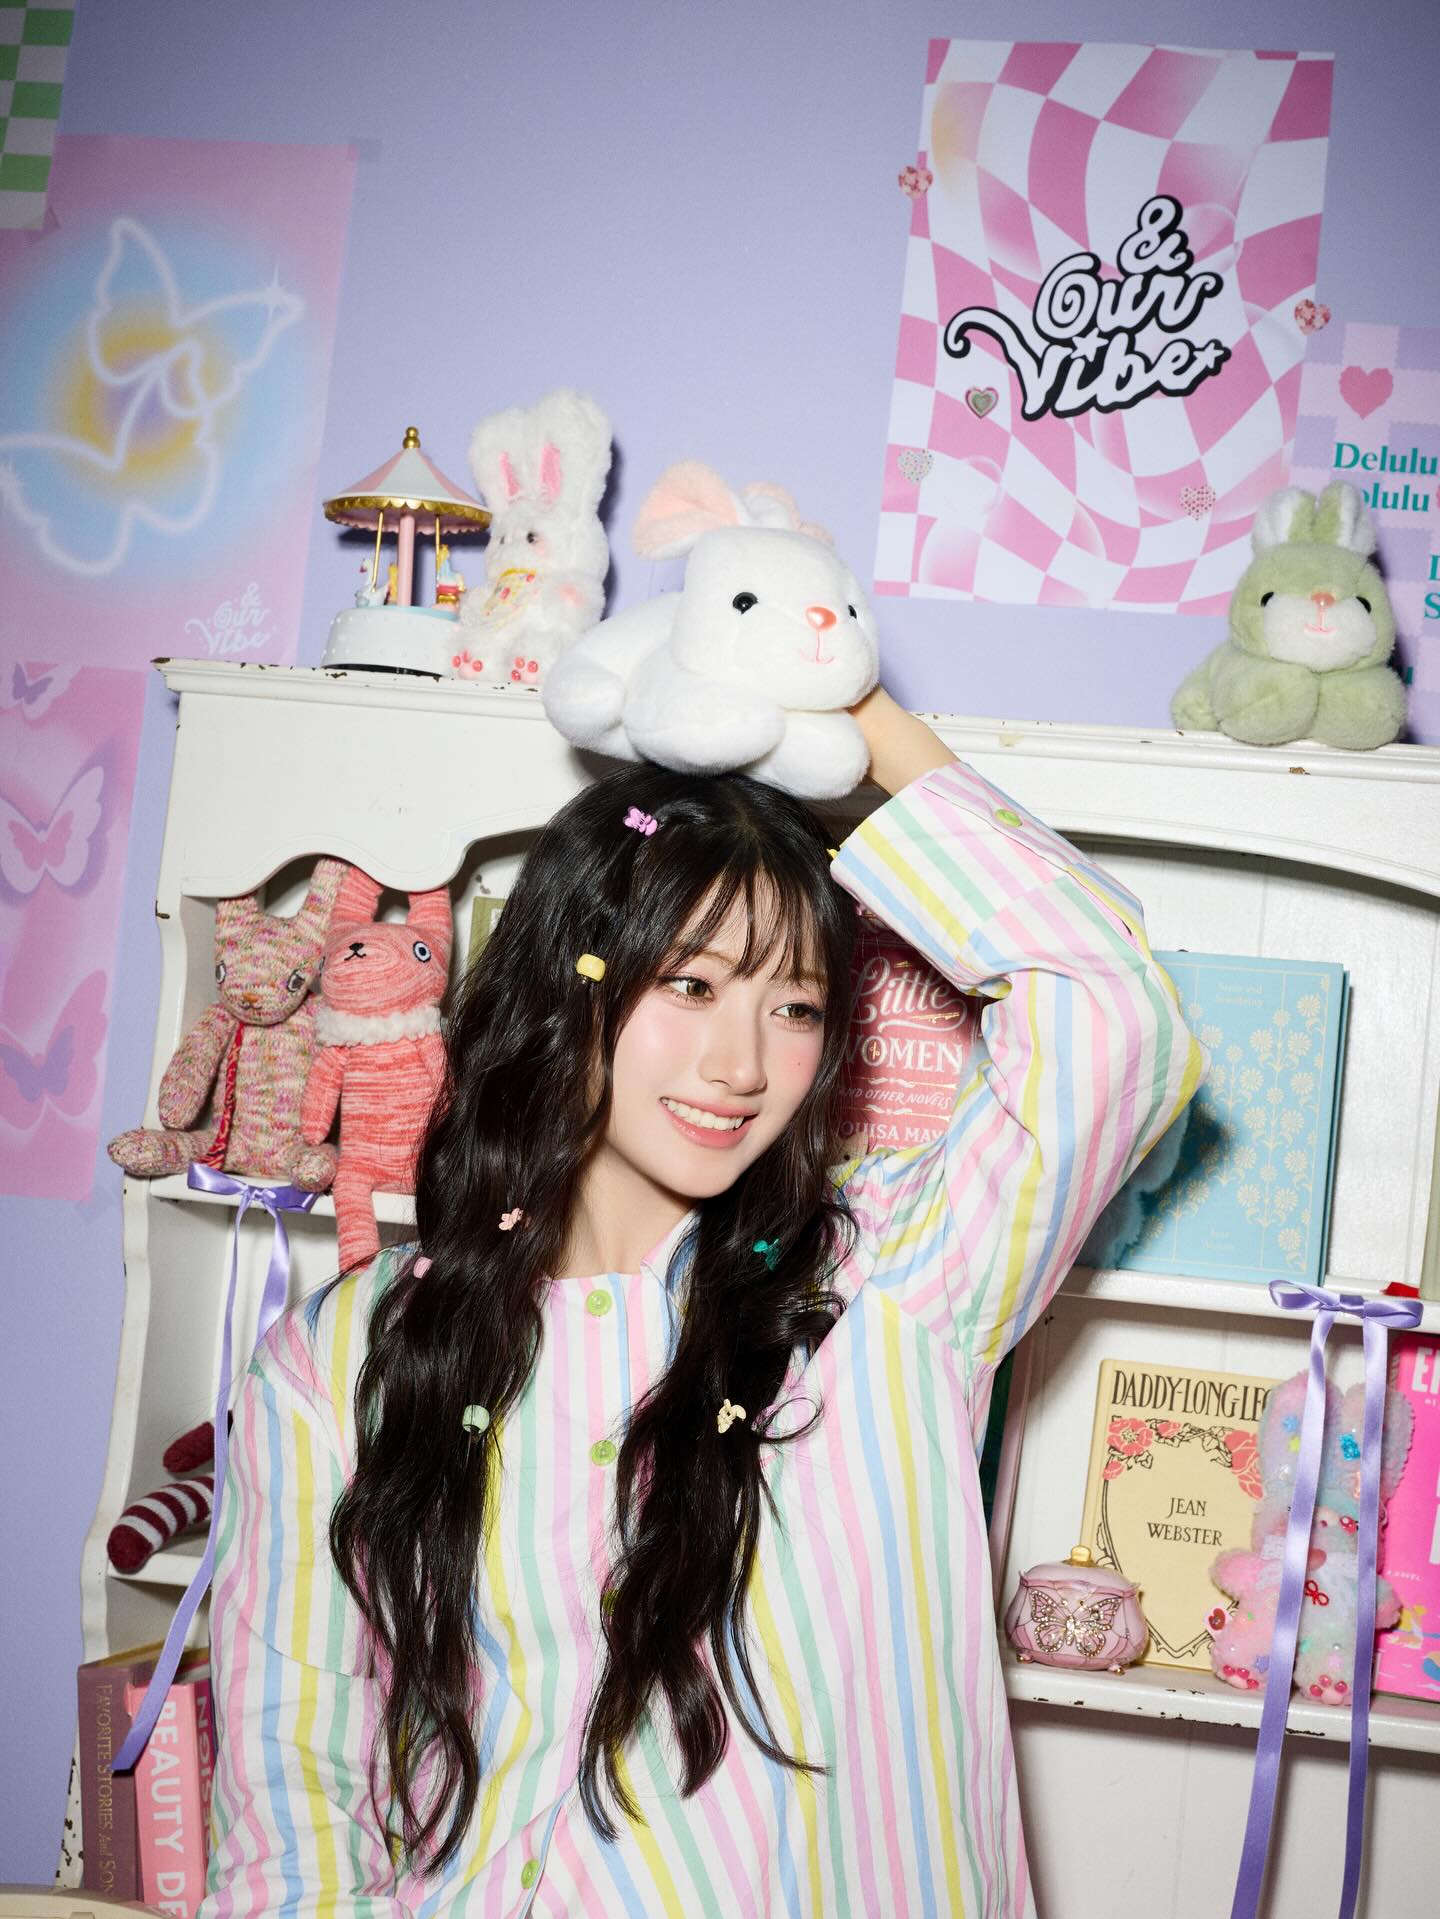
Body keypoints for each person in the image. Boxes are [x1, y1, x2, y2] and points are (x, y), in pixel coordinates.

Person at [200, 685, 1205, 1916]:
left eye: (795, 1006)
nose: (742, 1065)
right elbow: (290, 1782)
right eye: (692, 985)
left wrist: (851, 704)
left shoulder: (887, 1283)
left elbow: (1116, 1016)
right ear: (570, 980)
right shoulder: (345, 1352)